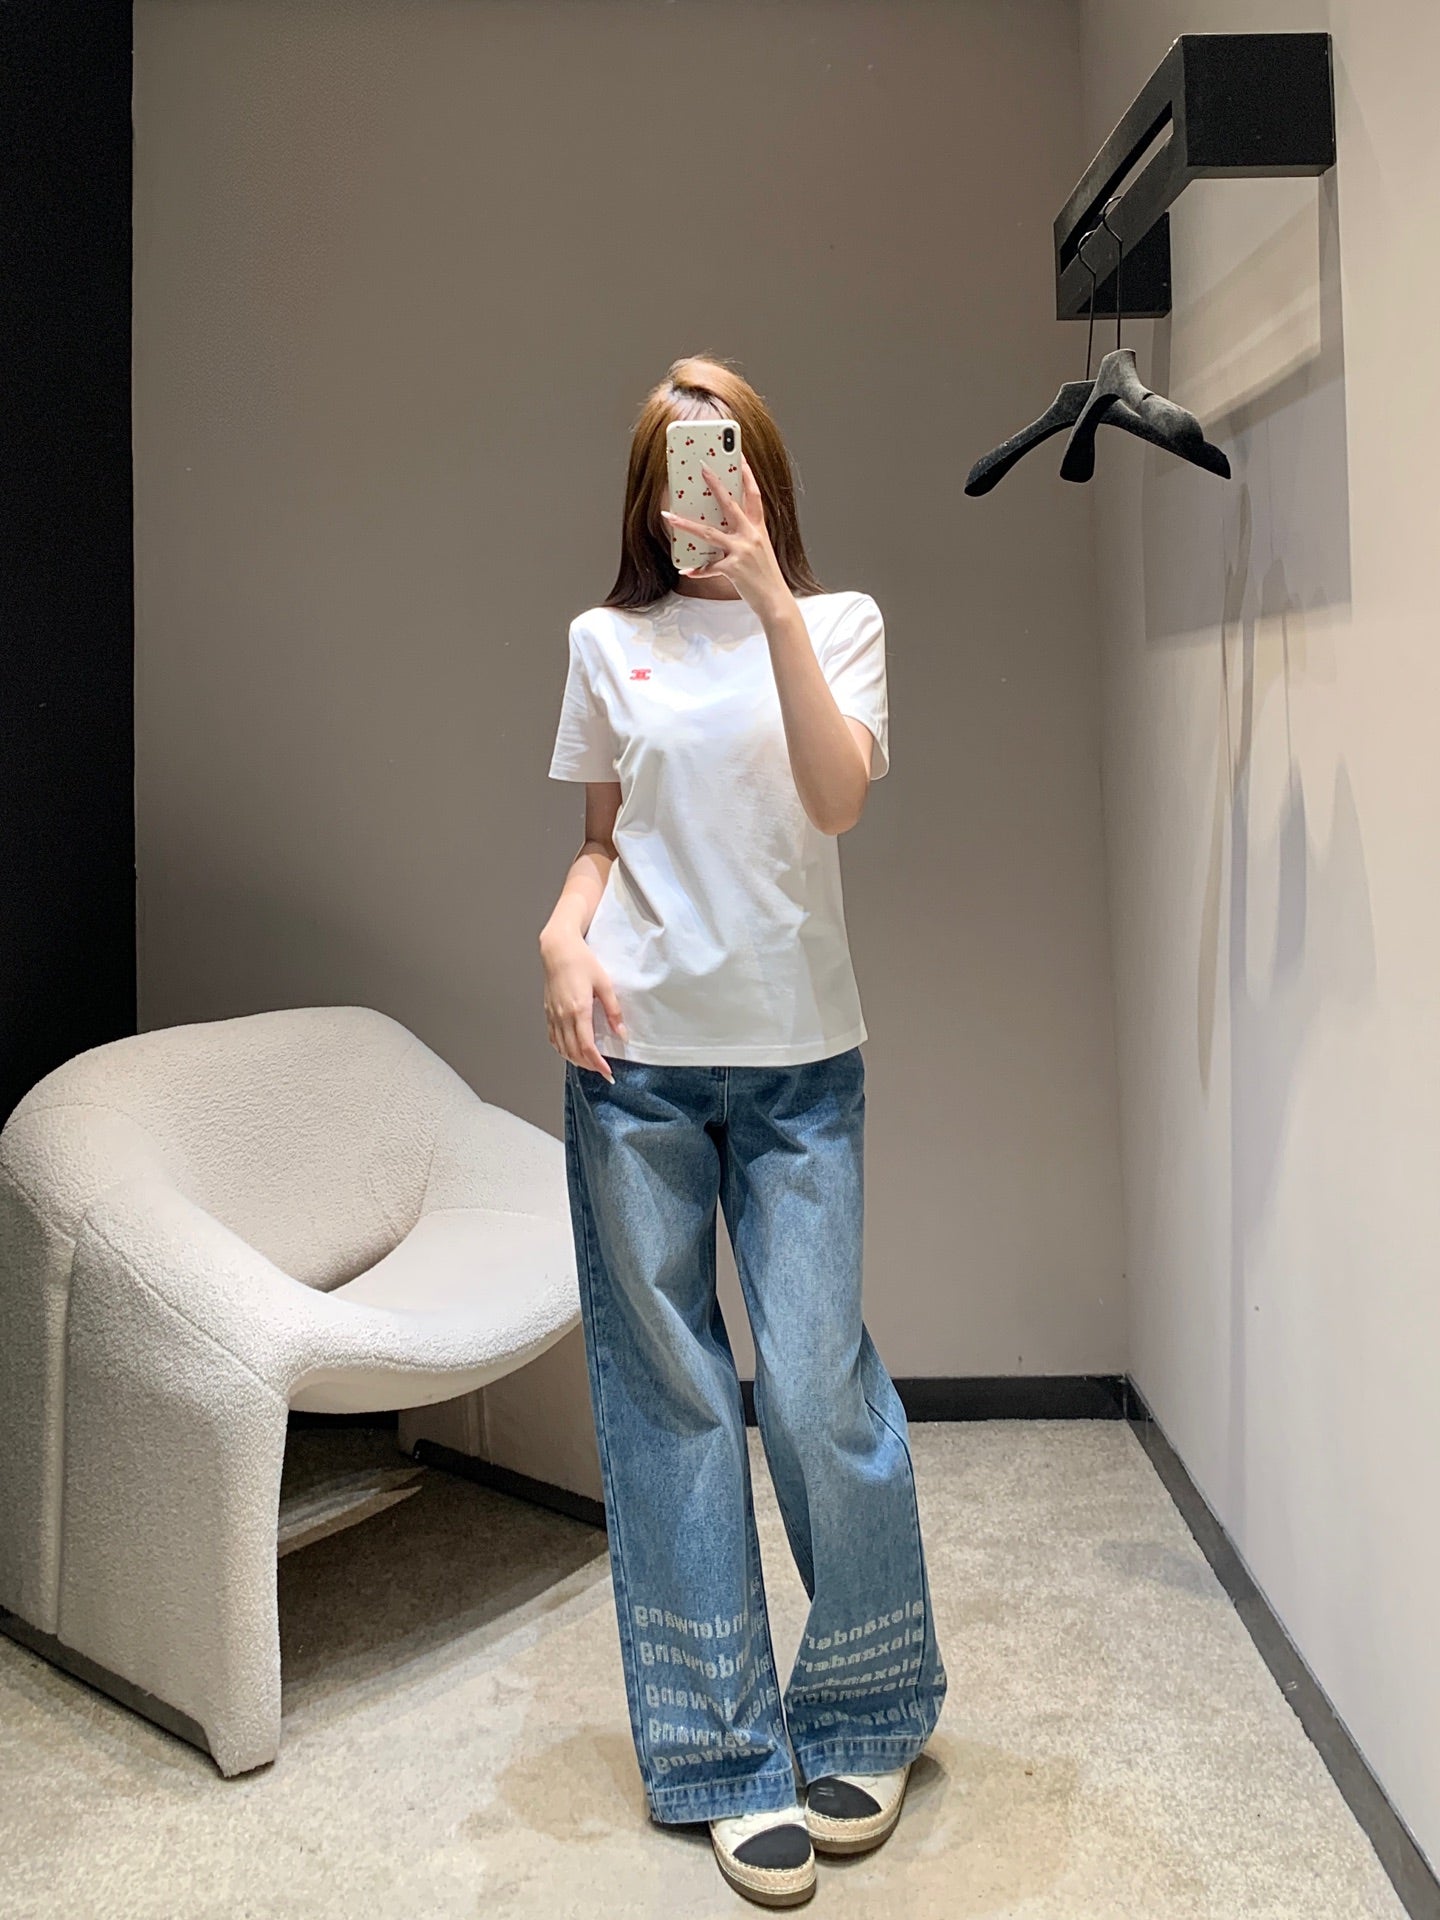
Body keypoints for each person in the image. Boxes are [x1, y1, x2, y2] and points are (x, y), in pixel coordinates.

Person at [539, 355, 947, 1908]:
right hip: (633, 1065)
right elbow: (602, 847)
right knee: (675, 1408)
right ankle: (721, 1755)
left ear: (762, 471)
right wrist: (561, 936)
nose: (698, 489)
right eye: (672, 466)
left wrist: (773, 599)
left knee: (817, 1385)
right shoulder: (604, 643)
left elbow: (836, 800)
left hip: (798, 1070)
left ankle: (866, 1709)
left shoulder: (840, 627)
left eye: (721, 454)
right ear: (647, 496)